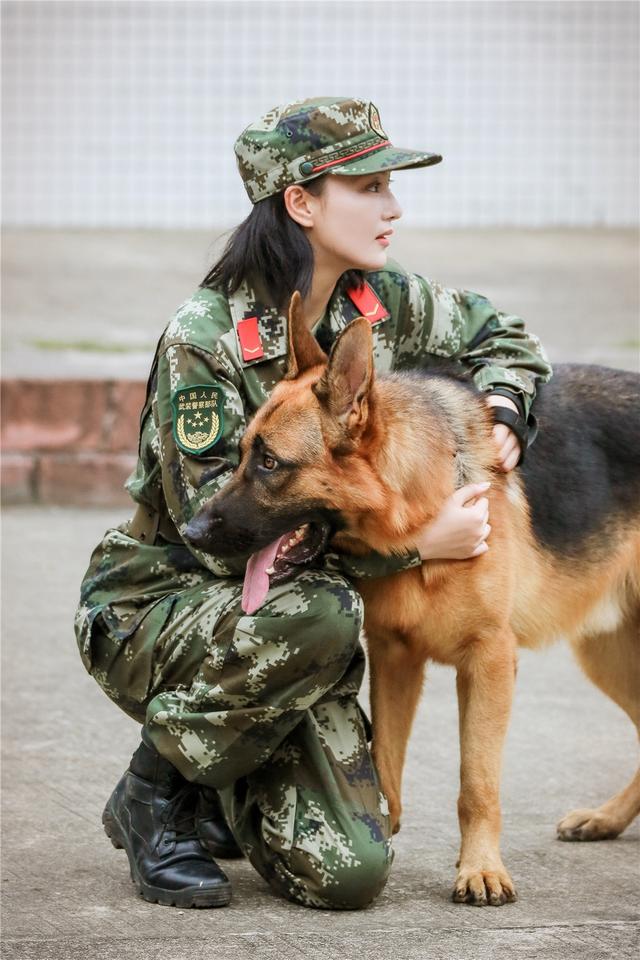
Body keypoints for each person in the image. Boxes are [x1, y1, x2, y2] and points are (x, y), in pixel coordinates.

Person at [74, 96, 552, 911]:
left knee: (349, 873)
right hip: (166, 600)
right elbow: (219, 533)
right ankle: (155, 792)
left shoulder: (379, 300)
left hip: (284, 606)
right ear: (301, 203)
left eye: (390, 186)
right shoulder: (206, 335)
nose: (392, 206)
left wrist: (505, 411)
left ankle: (233, 782)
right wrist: (417, 545)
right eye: (367, 186)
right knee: (326, 608)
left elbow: (506, 337)